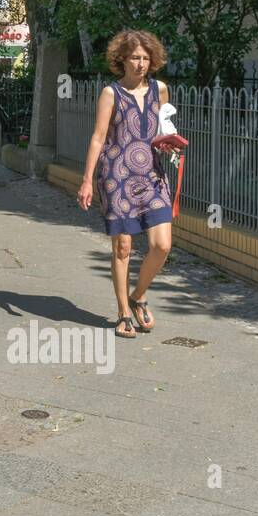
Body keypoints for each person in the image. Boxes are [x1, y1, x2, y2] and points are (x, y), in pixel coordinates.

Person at [76, 29, 173, 339]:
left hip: (152, 176)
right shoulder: (110, 93)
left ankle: (138, 295)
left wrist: (168, 144)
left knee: (162, 245)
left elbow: (161, 130)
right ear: (122, 59)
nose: (141, 64)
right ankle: (122, 313)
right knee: (123, 247)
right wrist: (87, 179)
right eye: (134, 58)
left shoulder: (161, 90)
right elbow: (98, 137)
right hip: (116, 175)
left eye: (146, 58)